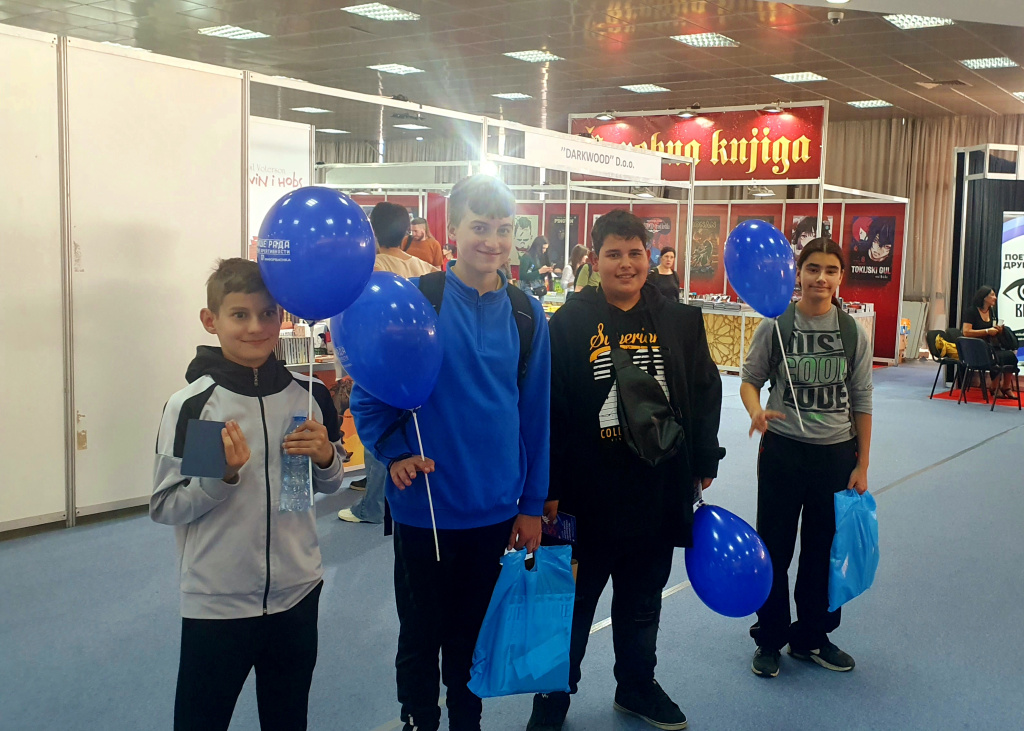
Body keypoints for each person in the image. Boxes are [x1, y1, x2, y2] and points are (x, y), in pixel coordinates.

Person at [350, 174, 551, 731]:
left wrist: (532, 504)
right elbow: (369, 393)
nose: (493, 241)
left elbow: (535, 414)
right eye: (479, 227)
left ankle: (467, 720)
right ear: (453, 231)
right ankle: (418, 717)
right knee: (420, 633)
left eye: (504, 229)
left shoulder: (527, 313)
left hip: (496, 508)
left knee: (473, 636)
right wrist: (393, 453)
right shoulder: (418, 300)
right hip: (426, 508)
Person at [527, 210, 725, 731]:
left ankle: (636, 686)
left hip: (656, 488)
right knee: (572, 603)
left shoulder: (679, 320)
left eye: (635, 253)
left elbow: (705, 391)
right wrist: (548, 484)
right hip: (585, 495)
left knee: (641, 601)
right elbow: (550, 406)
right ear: (595, 261)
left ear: (649, 257)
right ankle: (552, 696)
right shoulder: (569, 323)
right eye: (613, 254)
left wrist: (704, 458)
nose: (625, 264)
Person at [151, 258, 345, 730]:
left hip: (297, 593)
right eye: (240, 314)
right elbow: (169, 505)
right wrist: (220, 477)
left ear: (282, 317)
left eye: (267, 313)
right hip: (218, 600)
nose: (256, 327)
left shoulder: (308, 396)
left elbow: (324, 485)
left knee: (287, 719)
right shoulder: (199, 405)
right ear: (210, 320)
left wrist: (326, 458)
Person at [740, 237, 873, 679]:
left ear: (841, 277)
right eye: (813, 268)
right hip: (783, 451)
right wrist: (756, 411)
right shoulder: (776, 326)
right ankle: (770, 637)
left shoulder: (852, 332)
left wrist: (862, 463)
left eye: (831, 270)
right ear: (798, 273)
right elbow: (750, 379)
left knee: (822, 551)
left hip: (835, 456)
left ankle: (812, 636)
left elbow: (862, 400)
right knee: (774, 548)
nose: (821, 278)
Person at [339, 202, 437, 525]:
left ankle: (372, 505)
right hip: (421, 366)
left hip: (378, 361)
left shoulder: (369, 268)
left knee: (379, 433)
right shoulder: (426, 269)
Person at [961, 285, 1019, 398]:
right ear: (984, 297)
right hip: (976, 349)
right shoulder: (971, 312)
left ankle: (1006, 387)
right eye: (992, 295)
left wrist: (998, 330)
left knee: (1010, 356)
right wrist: (987, 331)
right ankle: (994, 387)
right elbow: (966, 332)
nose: (995, 298)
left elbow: (991, 329)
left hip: (989, 346)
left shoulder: (991, 311)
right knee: (997, 357)